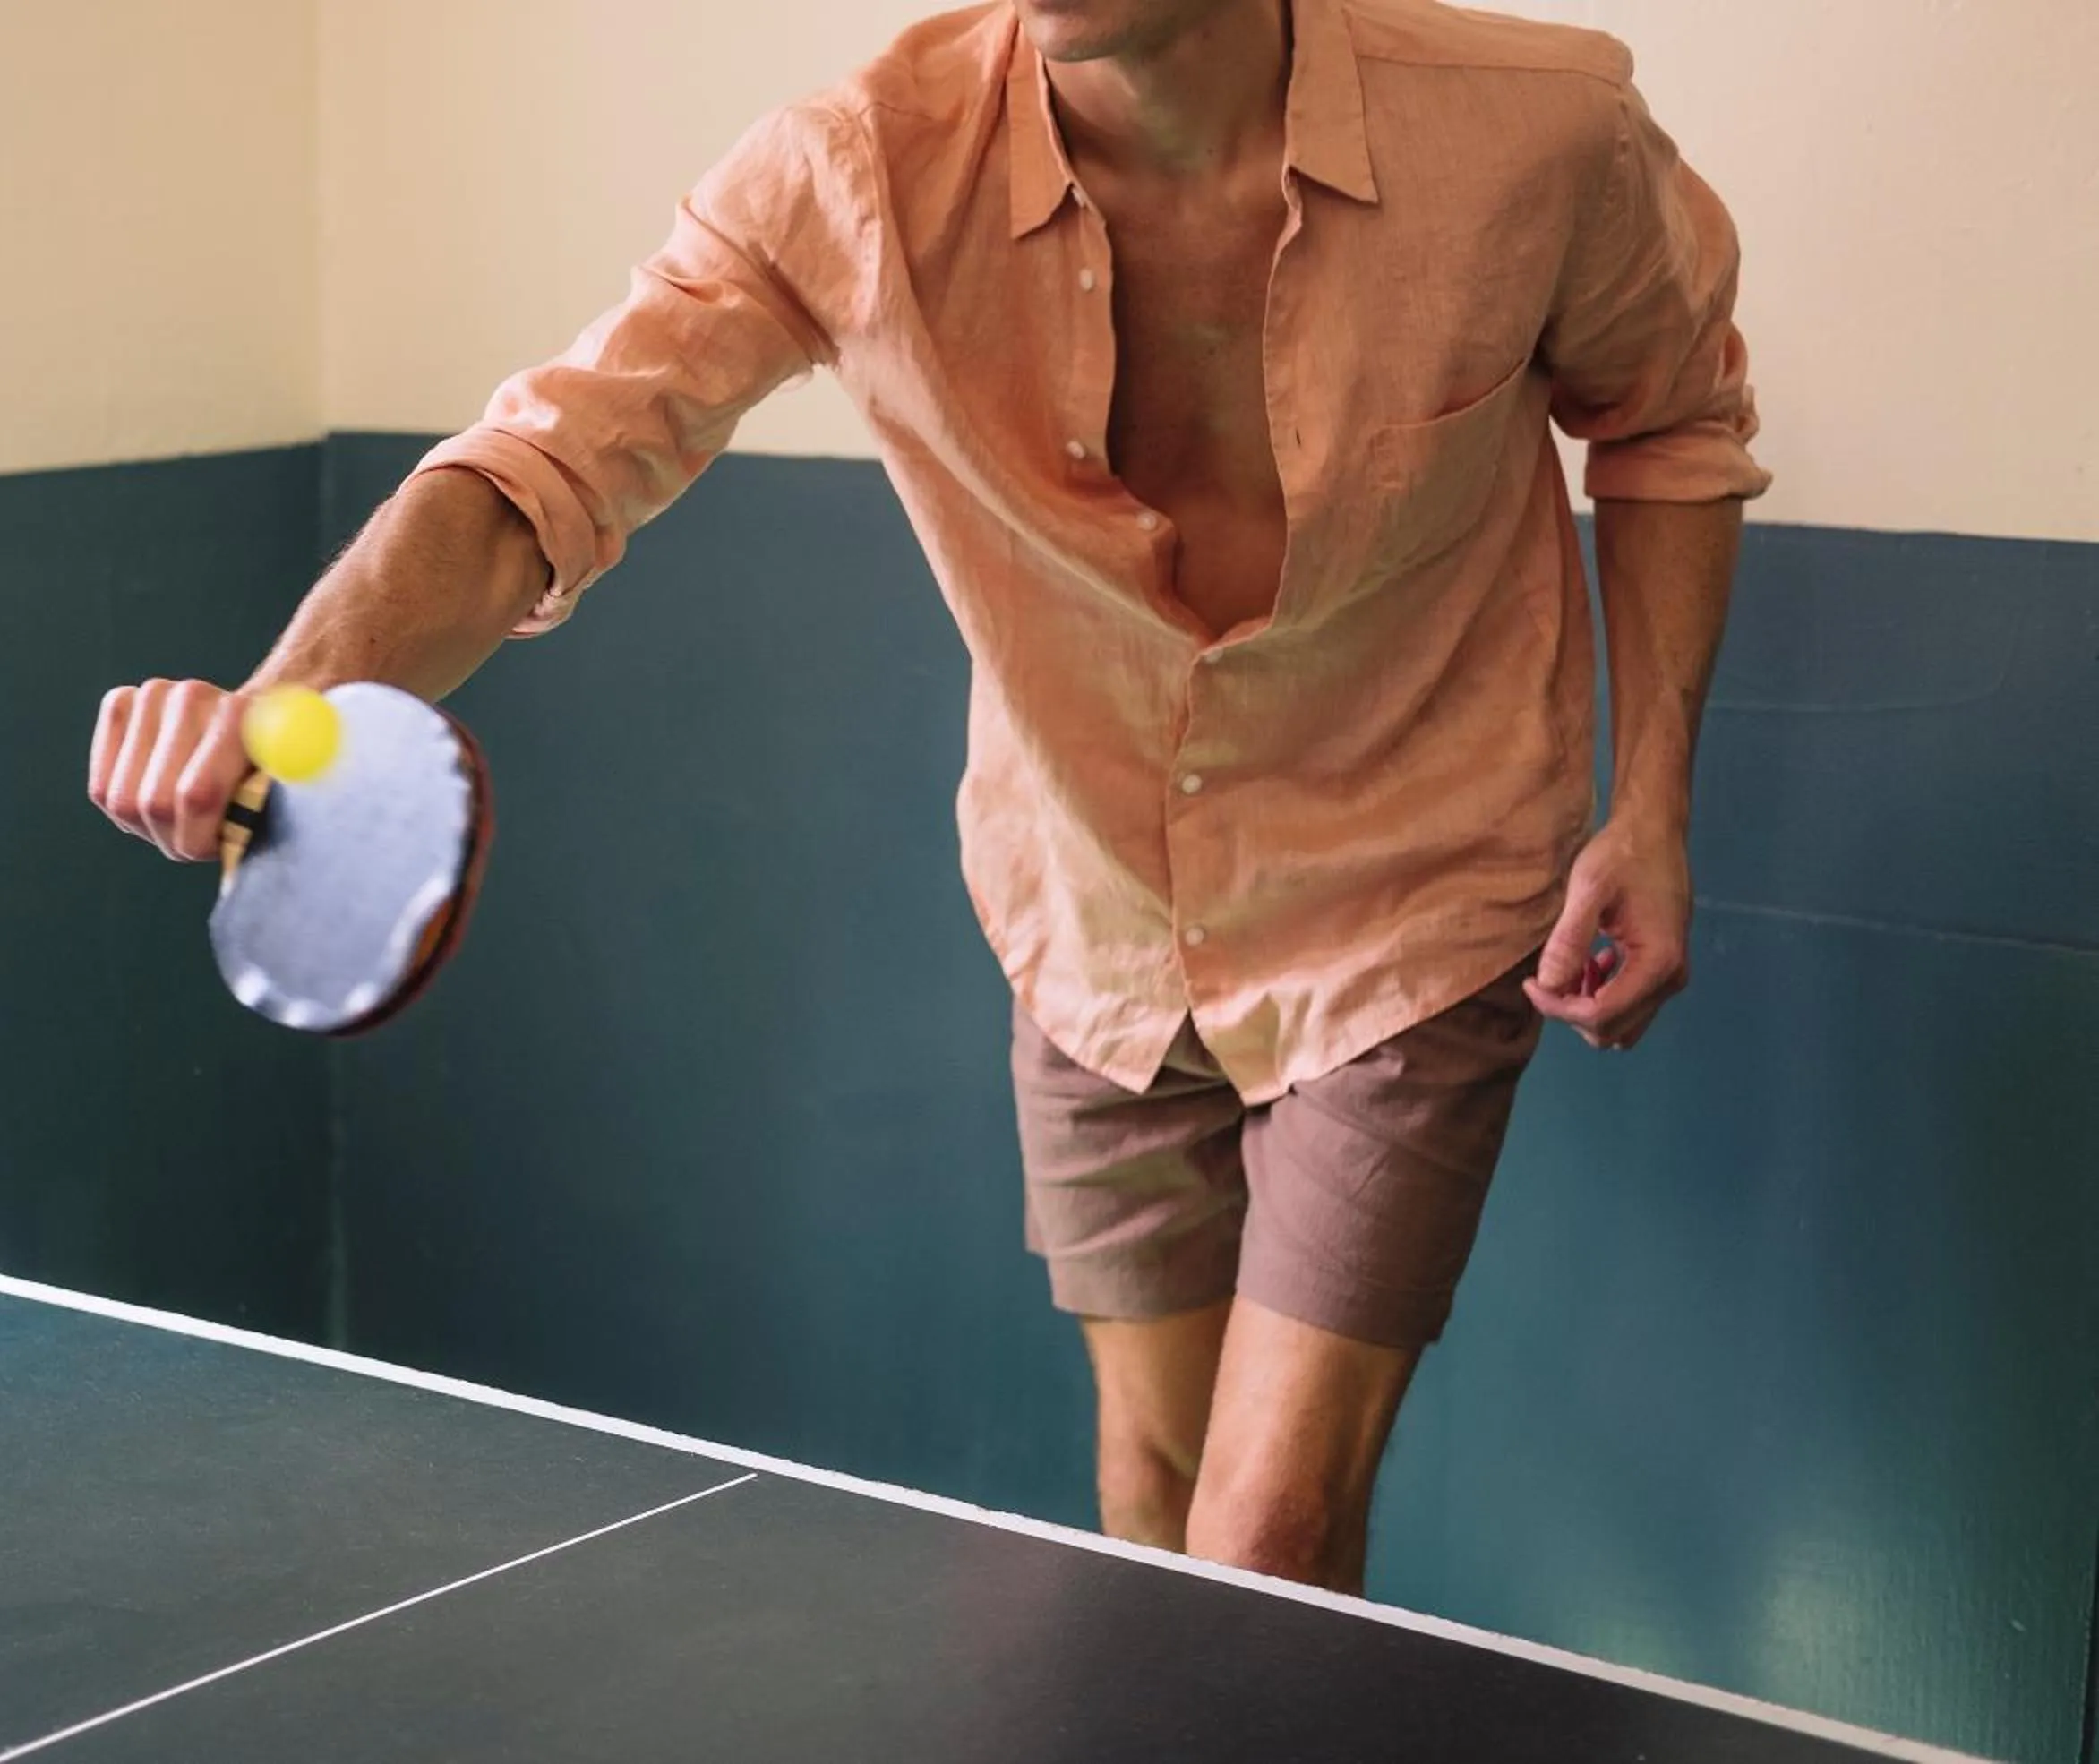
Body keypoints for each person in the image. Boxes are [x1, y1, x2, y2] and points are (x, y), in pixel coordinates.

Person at [87, 0, 1765, 1596]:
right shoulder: (854, 172)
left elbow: (1674, 420)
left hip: (1414, 886)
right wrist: (279, 705)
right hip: (1091, 912)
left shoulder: (1538, 133)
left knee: (1268, 1532)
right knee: (1151, 1486)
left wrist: (1655, 801)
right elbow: (540, 469)